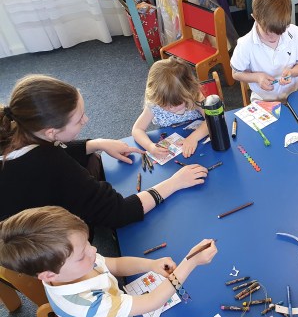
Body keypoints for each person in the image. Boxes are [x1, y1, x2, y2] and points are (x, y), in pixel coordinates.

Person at [0, 206, 217, 317]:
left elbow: (114, 264)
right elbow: (152, 301)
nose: (93, 250)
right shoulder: (88, 306)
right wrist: (190, 263)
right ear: (48, 275)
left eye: (88, 243)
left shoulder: (73, 266)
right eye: (82, 253)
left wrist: (150, 265)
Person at [0, 74, 208, 233]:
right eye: (79, 119)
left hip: (21, 215)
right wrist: (175, 183)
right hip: (39, 239)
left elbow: (51, 148)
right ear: (51, 132)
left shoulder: (14, 130)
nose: (86, 120)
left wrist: (95, 144)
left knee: (93, 158)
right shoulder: (52, 164)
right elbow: (118, 213)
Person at [231, 0, 298, 102]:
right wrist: (257, 77)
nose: (274, 37)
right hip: (263, 98)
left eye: (280, 32)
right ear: (255, 18)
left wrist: (292, 72)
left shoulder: (295, 32)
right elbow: (235, 73)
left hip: (295, 91)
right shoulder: (245, 44)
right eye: (268, 33)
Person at [132, 57, 209, 159]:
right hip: (171, 142)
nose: (171, 109)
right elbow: (137, 130)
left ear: (188, 92)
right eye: (164, 105)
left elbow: (212, 120)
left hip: (200, 138)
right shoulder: (154, 104)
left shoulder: (195, 95)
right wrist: (150, 146)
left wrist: (193, 138)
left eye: (176, 104)